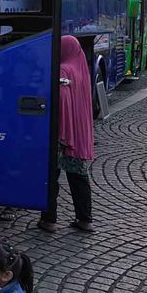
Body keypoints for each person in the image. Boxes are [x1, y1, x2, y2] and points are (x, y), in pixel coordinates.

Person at [39, 36, 95, 232]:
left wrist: (60, 130)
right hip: (78, 134)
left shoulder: (62, 69)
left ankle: (49, 220)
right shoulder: (81, 69)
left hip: (62, 134)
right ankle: (85, 219)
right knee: (79, 176)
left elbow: (61, 100)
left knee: (50, 177)